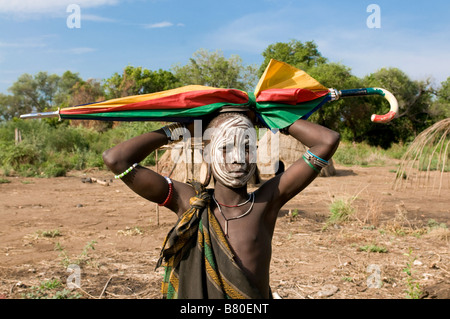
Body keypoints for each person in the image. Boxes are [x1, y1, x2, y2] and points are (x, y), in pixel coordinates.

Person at [102, 111, 340, 299]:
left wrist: (272, 118)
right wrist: (181, 130)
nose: (237, 157)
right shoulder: (188, 202)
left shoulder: (266, 202)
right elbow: (116, 159)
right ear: (207, 154)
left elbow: (327, 141)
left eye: (247, 147)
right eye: (225, 147)